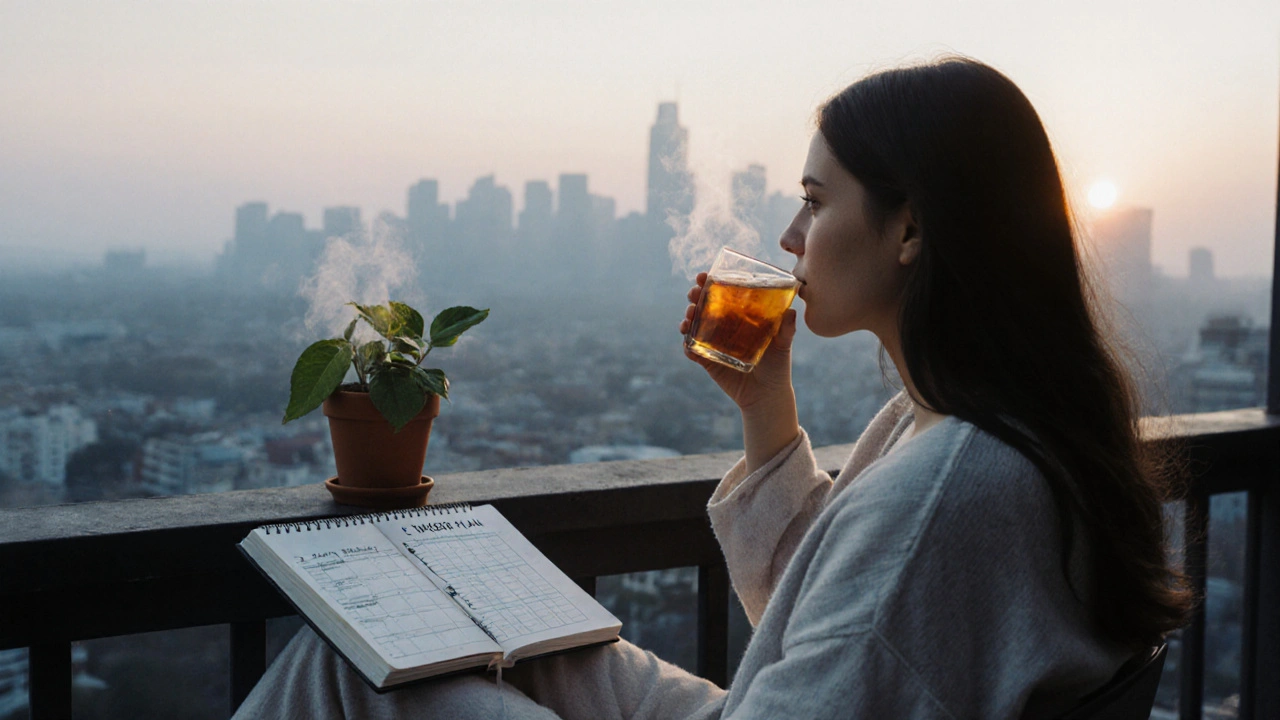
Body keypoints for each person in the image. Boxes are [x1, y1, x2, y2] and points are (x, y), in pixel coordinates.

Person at [233, 56, 1192, 719]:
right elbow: (832, 627)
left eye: (815, 203)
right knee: (538, 653)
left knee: (352, 672)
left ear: (911, 230)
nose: (788, 236)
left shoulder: (948, 487)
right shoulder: (985, 431)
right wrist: (764, 410)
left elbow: (865, 614)